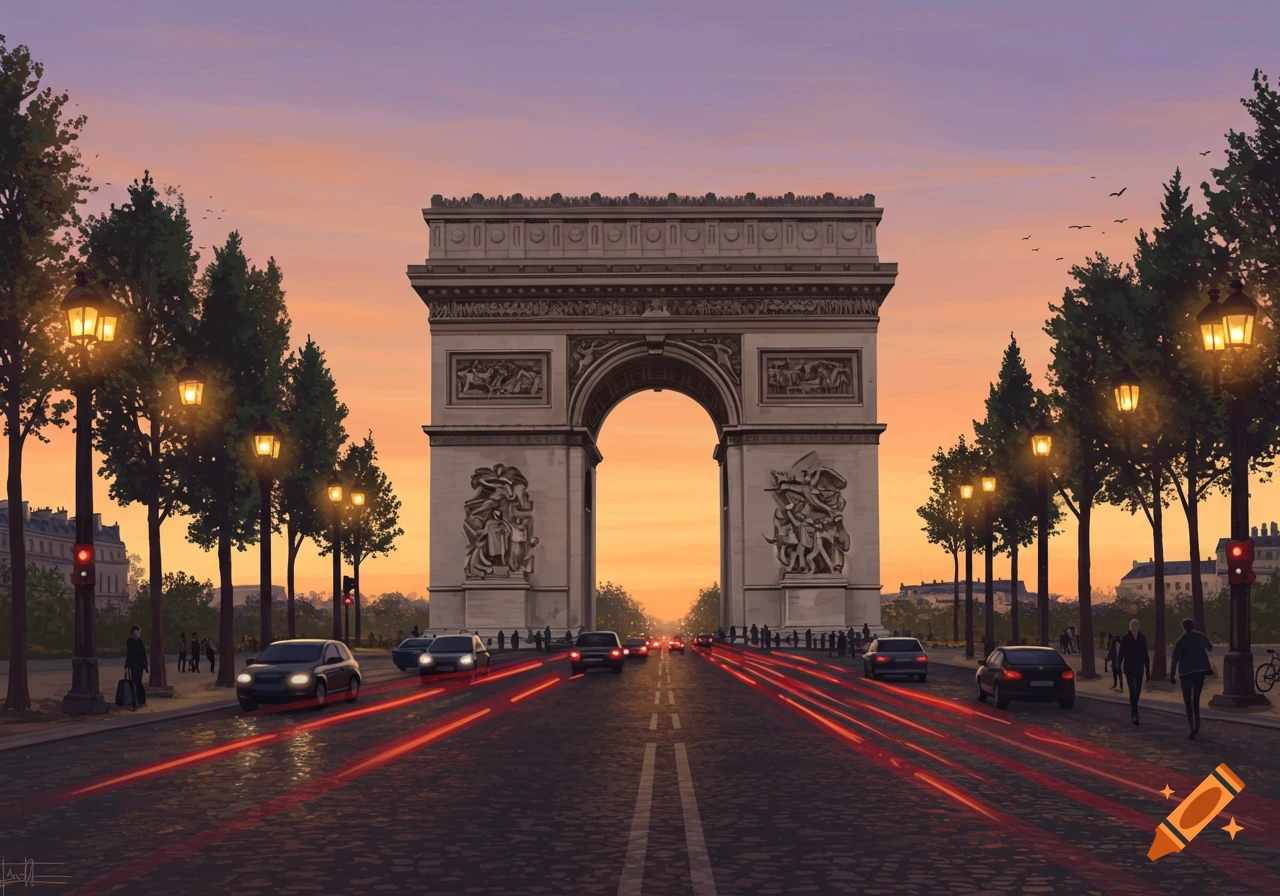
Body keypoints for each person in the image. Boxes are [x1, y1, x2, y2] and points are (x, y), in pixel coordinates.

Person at [1169, 618, 1214, 740]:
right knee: (1196, 699)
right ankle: (1198, 724)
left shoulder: (1181, 640)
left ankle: (1192, 727)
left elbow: (1175, 660)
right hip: (1199, 672)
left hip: (1185, 673)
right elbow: (1210, 647)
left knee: (1187, 700)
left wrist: (1172, 675)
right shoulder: (1200, 636)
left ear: (1183, 627)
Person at [1118, 618, 1150, 725]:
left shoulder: (1142, 638)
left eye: (1136, 625)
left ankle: (1134, 708)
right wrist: (1118, 664)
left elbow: (1145, 653)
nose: (1135, 627)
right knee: (1132, 690)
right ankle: (1134, 711)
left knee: (1138, 691)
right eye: (1133, 625)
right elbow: (1121, 652)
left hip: (1139, 667)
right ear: (1130, 627)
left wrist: (1148, 668)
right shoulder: (1125, 638)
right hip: (1129, 667)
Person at [124, 625, 148, 708]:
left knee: (138, 681)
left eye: (137, 632)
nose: (136, 633)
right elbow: (129, 653)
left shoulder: (140, 641)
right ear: (132, 632)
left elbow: (143, 654)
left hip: (140, 665)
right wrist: (127, 663)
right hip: (133, 664)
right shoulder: (130, 641)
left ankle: (139, 699)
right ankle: (136, 700)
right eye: (135, 632)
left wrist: (146, 665)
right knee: (135, 682)